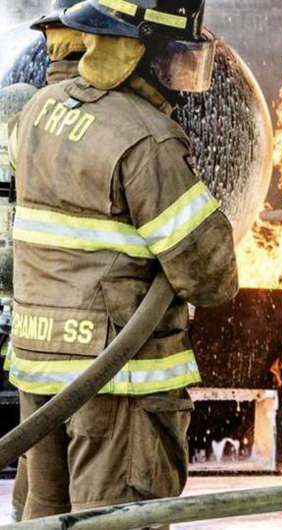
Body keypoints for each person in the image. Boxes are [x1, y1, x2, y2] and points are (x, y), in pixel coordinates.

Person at [5, 0, 236, 520]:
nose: (176, 78)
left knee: (45, 517)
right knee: (116, 521)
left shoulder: (38, 111)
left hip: (39, 372)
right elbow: (211, 276)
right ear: (134, 51)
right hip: (119, 387)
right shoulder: (147, 139)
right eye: (168, 58)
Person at [6, 1, 86, 520]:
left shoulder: (24, 112)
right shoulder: (107, 121)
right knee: (92, 499)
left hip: (32, 336)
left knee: (40, 490)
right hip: (90, 345)